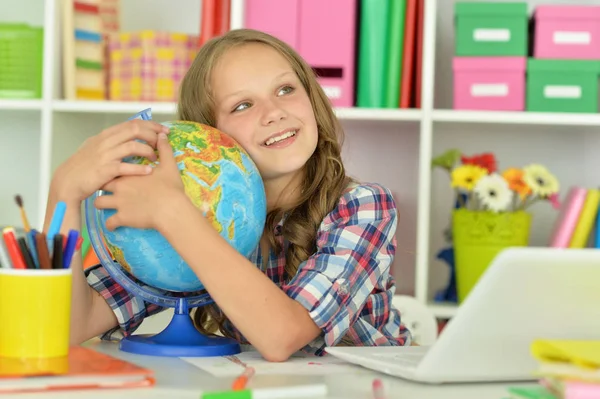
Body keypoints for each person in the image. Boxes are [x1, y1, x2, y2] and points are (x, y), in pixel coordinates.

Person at [44, 29, 412, 361]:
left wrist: (173, 214)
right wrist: (63, 194)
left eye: (285, 89)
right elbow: (71, 326)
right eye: (242, 105)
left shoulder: (363, 206)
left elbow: (283, 336)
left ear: (312, 98)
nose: (274, 113)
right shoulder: (203, 214)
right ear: (207, 133)